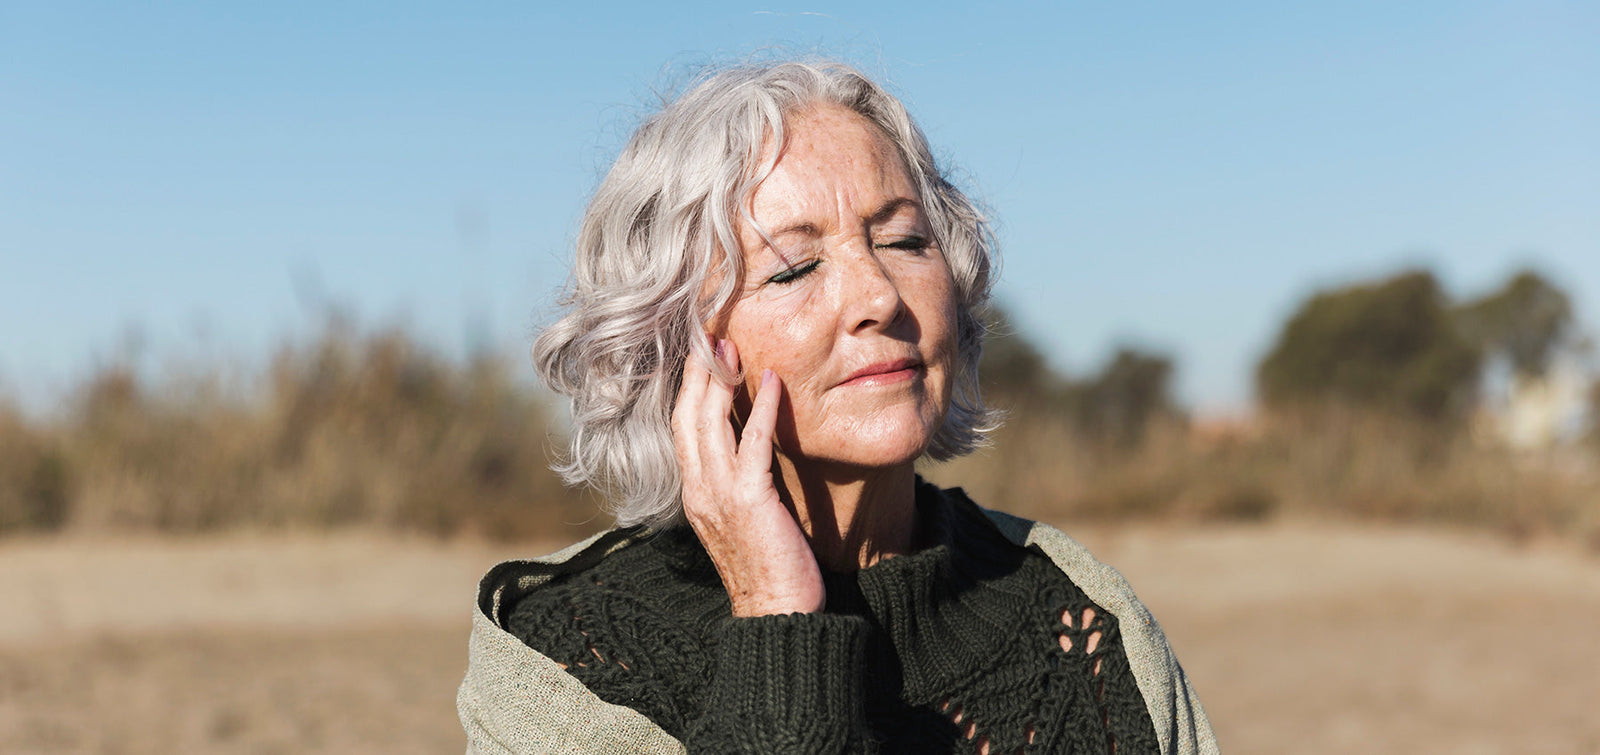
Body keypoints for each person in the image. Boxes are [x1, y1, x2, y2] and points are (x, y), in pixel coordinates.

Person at [457, 60, 1217, 754]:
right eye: (794, 269)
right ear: (672, 344)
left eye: (903, 240)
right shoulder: (564, 661)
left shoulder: (1081, 623)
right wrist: (774, 615)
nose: (879, 298)